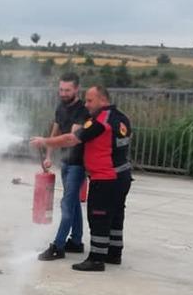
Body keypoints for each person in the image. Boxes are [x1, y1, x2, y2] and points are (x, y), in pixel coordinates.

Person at [37, 85, 132, 272]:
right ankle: (114, 254)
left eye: (90, 100)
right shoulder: (122, 118)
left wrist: (45, 142)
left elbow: (71, 139)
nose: (86, 105)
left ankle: (96, 259)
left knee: (99, 218)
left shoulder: (100, 121)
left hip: (106, 178)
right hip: (122, 175)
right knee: (115, 217)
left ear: (103, 100)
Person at [29, 72, 89, 261]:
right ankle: (76, 242)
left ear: (77, 89)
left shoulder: (82, 111)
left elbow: (72, 139)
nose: (63, 93)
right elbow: (55, 131)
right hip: (65, 162)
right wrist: (48, 156)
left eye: (67, 90)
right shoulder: (60, 107)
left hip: (78, 164)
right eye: (61, 89)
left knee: (67, 204)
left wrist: (45, 141)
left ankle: (58, 246)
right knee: (72, 204)